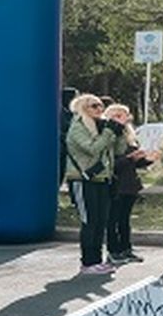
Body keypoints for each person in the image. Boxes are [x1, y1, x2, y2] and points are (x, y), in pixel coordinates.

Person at [64, 94, 125, 274]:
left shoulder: (101, 126)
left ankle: (97, 260)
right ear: (83, 108)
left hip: (102, 179)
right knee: (89, 221)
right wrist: (108, 133)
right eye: (94, 106)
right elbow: (92, 149)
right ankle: (88, 262)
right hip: (82, 179)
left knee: (101, 221)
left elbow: (119, 150)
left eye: (100, 106)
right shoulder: (78, 128)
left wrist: (118, 132)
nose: (99, 109)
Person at [103, 103, 151, 266]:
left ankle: (126, 248)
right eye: (117, 115)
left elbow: (134, 162)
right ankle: (113, 250)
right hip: (116, 183)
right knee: (113, 219)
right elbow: (110, 163)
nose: (123, 119)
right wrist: (130, 158)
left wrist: (146, 159)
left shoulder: (128, 134)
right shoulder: (108, 135)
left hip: (130, 183)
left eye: (125, 115)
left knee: (125, 219)